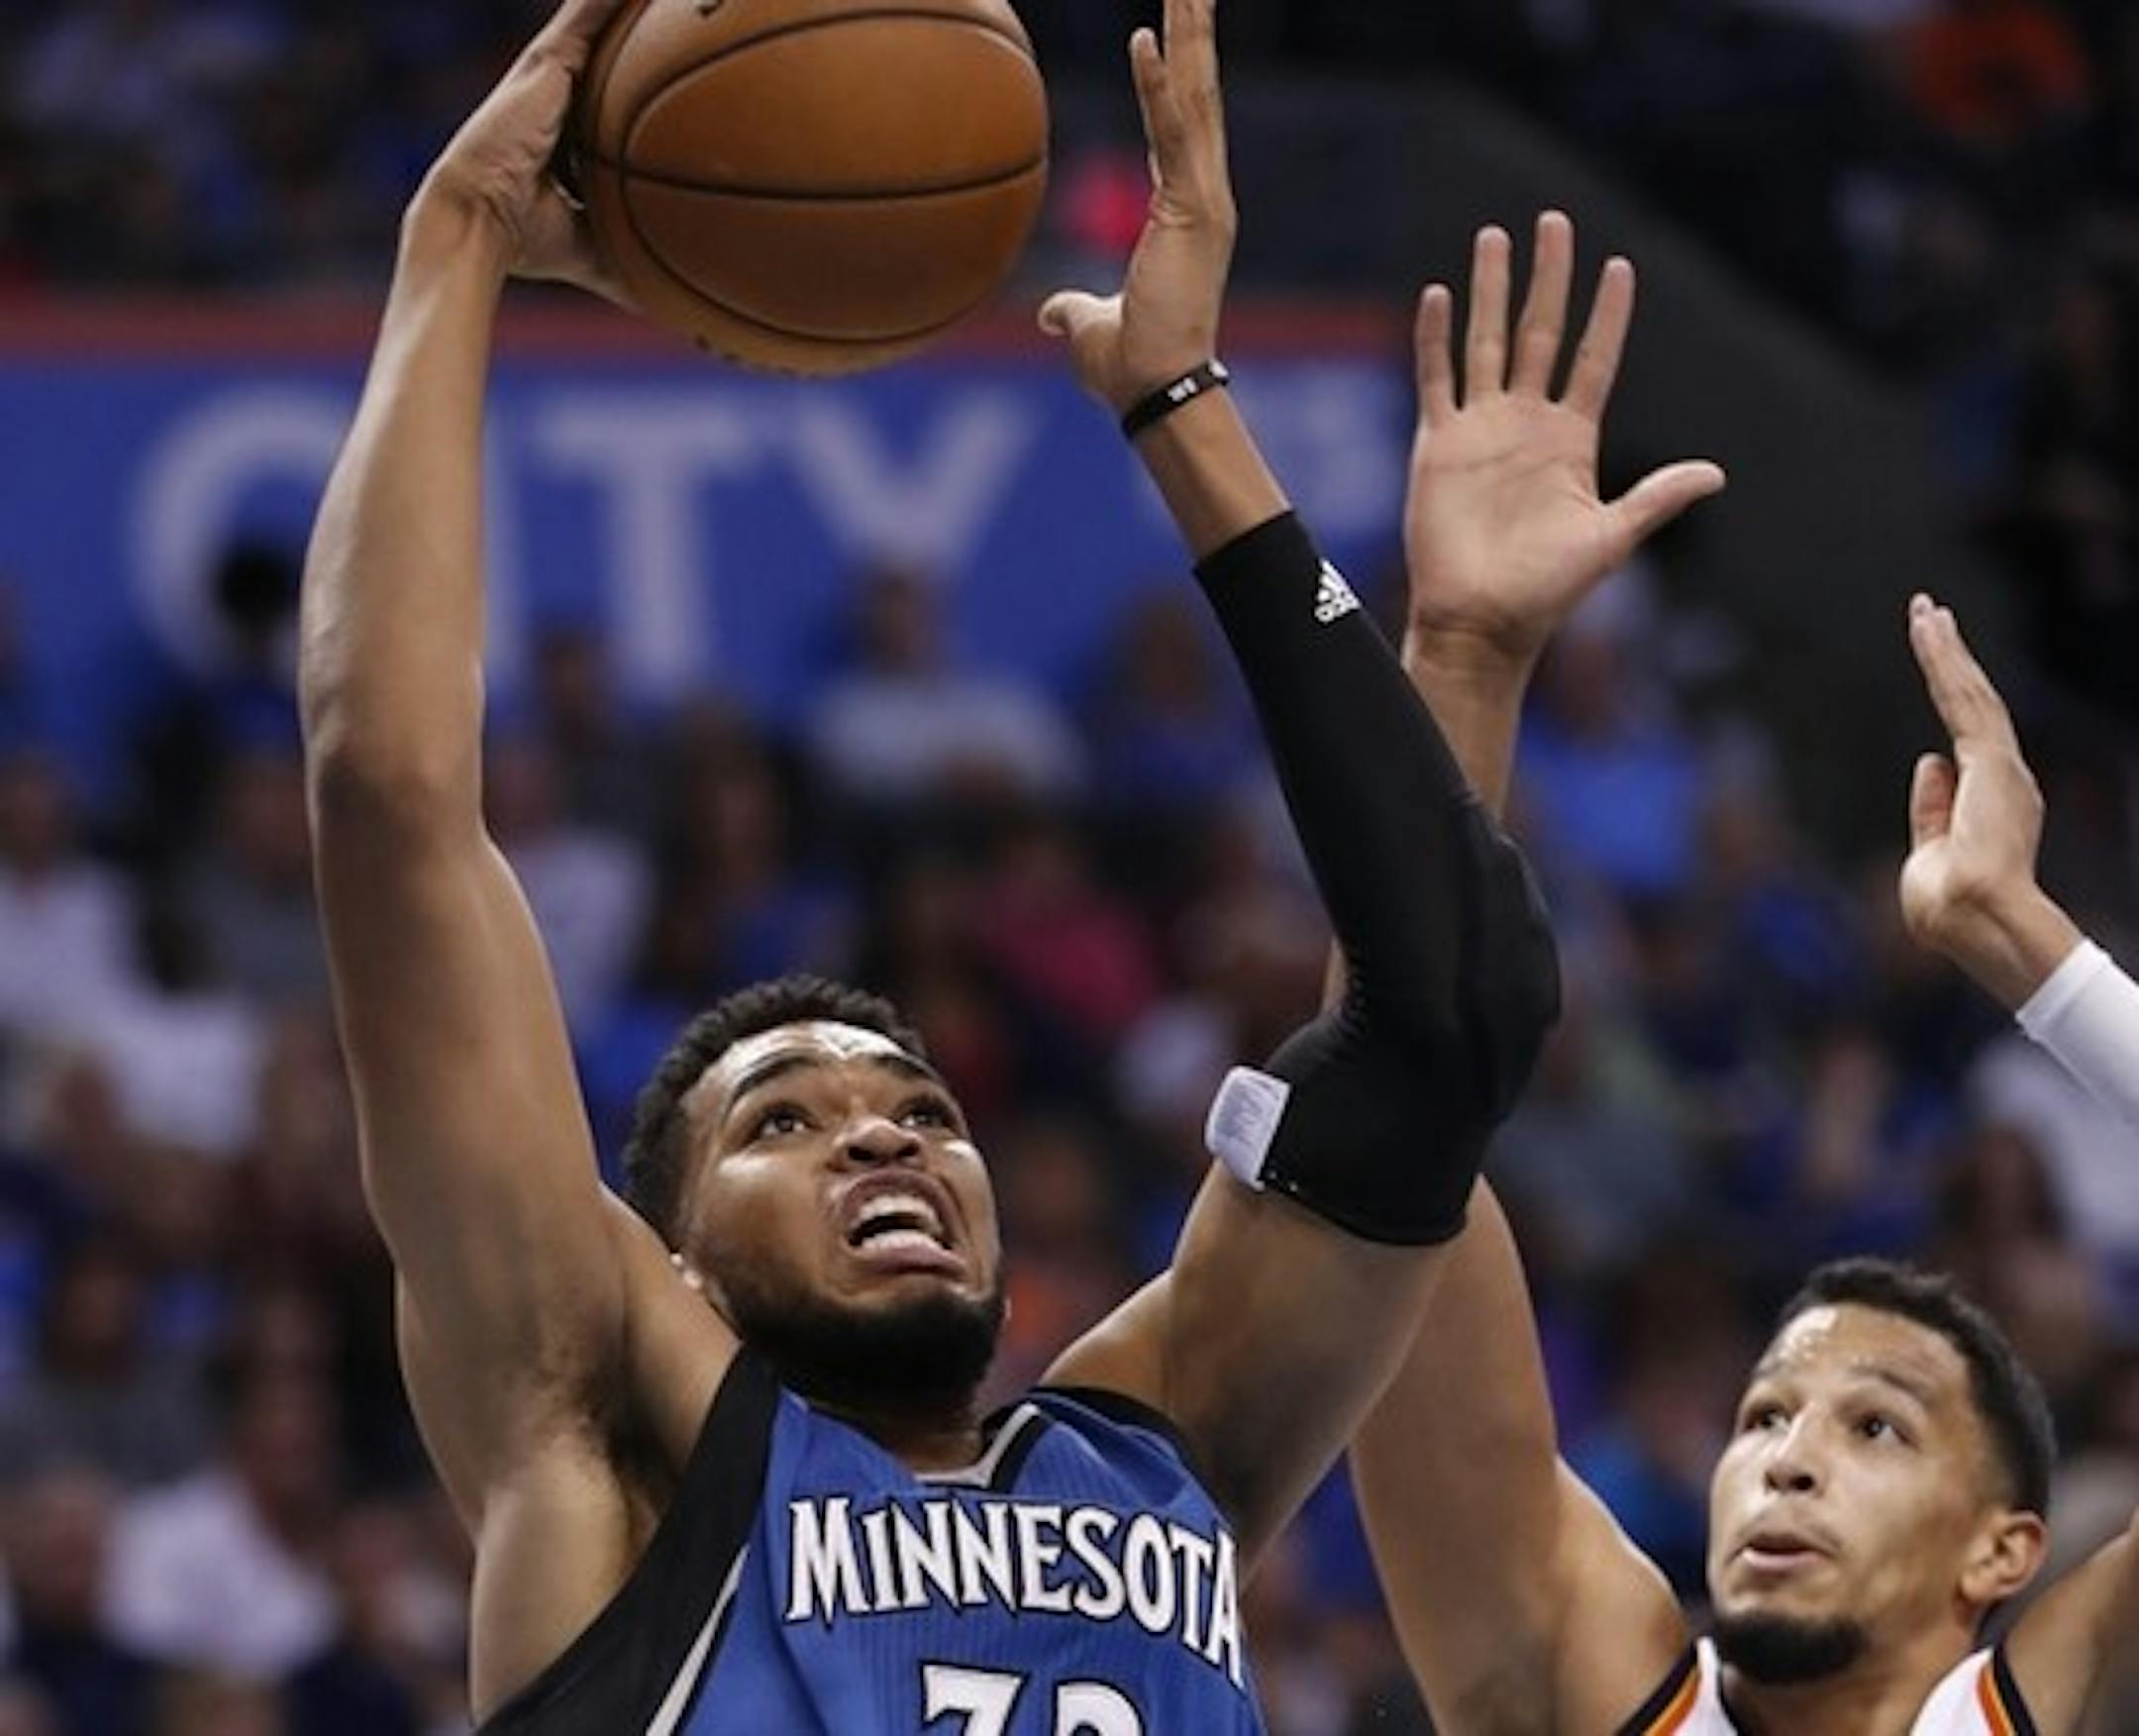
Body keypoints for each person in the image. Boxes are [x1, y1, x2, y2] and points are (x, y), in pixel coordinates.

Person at [296, 1, 1562, 1731]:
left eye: (918, 1106)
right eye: (781, 1126)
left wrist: (1194, 419)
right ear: (672, 1264)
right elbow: (388, 792)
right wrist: (454, 249)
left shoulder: (1151, 1447)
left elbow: (1451, 1013)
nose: (883, 1128)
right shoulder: (606, 1429)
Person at [1352, 211, 2139, 1734]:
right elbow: (1383, 1121)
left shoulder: (2074, 1692)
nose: (1784, 1457)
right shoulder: (1573, 1677)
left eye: (1875, 1427)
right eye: (1766, 1414)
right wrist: (1461, 660)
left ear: (2006, 1550)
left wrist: (2025, 951)